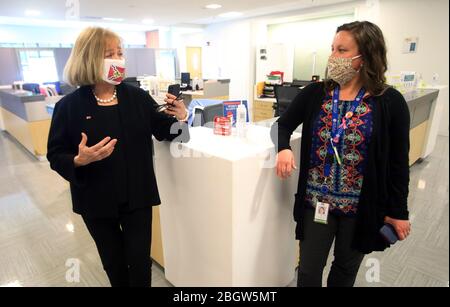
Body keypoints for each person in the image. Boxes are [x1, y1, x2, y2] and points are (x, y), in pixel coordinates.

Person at [271, 21, 411, 287]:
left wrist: (398, 211)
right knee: (309, 272)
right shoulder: (316, 93)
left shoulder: (390, 102)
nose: (333, 57)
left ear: (366, 56)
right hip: (317, 203)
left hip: (361, 207)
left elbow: (397, 164)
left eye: (342, 50)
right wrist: (284, 147)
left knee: (345, 272)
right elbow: (283, 124)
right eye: (332, 49)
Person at [47, 27, 189, 287]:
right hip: (95, 200)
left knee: (139, 264)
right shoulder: (68, 107)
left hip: (137, 197)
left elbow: (168, 133)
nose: (118, 59)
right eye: (109, 54)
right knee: (113, 264)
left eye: (120, 53)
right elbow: (55, 155)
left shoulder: (137, 98)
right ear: (89, 58)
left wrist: (181, 117)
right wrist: (79, 160)